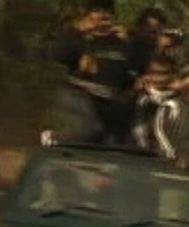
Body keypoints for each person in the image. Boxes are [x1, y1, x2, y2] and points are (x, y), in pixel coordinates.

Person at [44, 0, 137, 146]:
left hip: (109, 98)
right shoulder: (78, 36)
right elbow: (59, 54)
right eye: (98, 12)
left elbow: (132, 72)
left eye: (107, 13)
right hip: (79, 93)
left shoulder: (121, 40)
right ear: (88, 16)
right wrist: (79, 31)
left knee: (112, 140)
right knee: (91, 129)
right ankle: (53, 138)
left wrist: (127, 43)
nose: (103, 17)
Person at [132, 54, 176, 152]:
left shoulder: (177, 99)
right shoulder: (138, 96)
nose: (158, 78)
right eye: (154, 73)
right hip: (138, 150)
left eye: (163, 74)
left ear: (172, 75)